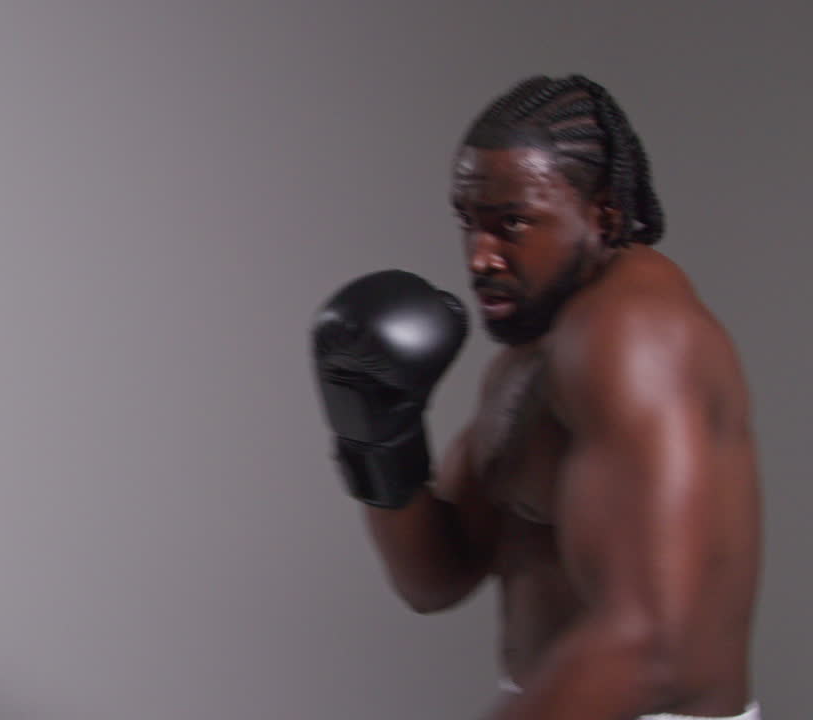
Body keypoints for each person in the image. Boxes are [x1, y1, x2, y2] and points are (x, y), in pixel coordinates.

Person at [311, 74, 762, 719]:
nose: (479, 258)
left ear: (602, 214)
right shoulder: (533, 351)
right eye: (468, 223)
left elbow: (652, 650)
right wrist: (375, 431)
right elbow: (437, 577)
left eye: (511, 225)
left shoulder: (633, 335)